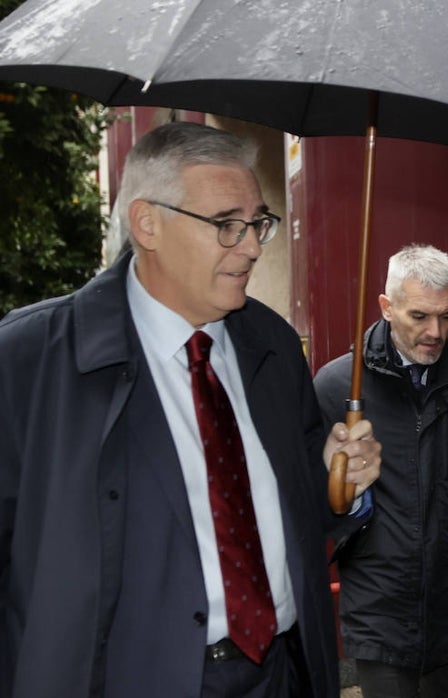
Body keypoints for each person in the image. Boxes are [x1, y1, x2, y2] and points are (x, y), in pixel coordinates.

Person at [0, 121, 381, 698]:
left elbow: (294, 514)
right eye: (227, 225)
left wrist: (335, 479)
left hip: (282, 673)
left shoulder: (272, 344)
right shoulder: (30, 360)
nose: (252, 246)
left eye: (257, 223)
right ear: (147, 224)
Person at [314, 244, 448, 698]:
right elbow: (312, 501)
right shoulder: (337, 385)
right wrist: (340, 482)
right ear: (386, 308)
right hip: (378, 608)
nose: (436, 332)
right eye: (420, 316)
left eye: (447, 316)